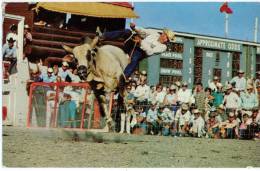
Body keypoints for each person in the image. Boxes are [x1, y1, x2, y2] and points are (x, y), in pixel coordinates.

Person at [97, 23, 175, 77]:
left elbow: (150, 52)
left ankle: (123, 77)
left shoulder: (163, 47)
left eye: (167, 40)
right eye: (166, 38)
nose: (166, 40)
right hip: (135, 44)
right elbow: (143, 31)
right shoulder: (154, 33)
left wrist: (141, 42)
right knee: (127, 31)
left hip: (141, 52)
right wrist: (135, 28)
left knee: (135, 59)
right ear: (163, 34)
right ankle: (103, 36)